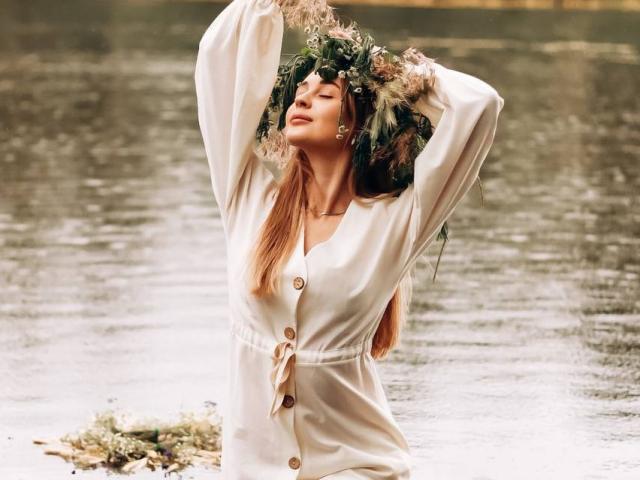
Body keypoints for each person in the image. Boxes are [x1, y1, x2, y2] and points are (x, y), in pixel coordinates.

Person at [194, 0, 505, 477]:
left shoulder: (394, 223)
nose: (301, 100)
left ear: (357, 124)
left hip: (359, 468)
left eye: (324, 95)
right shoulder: (248, 202)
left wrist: (389, 74)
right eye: (300, 92)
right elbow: (219, 58)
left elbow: (479, 106)